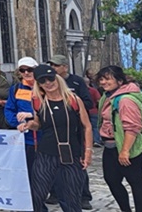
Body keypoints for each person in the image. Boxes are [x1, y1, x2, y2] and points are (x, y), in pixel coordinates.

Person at [20, 65, 93, 212]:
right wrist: (28, 125)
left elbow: (87, 126)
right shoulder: (38, 101)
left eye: (50, 78)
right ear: (38, 84)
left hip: (71, 153)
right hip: (46, 153)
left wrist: (88, 151)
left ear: (57, 78)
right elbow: (38, 124)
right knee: (37, 194)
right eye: (43, 81)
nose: (48, 83)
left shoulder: (73, 100)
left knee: (71, 198)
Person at [96, 65, 142, 212]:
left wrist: (125, 151)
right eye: (101, 79)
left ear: (120, 81)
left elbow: (133, 127)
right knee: (112, 179)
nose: (103, 82)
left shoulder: (126, 100)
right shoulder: (107, 97)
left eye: (108, 79)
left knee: (135, 182)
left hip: (128, 146)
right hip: (111, 145)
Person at [47, 55, 94, 209]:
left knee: (77, 161)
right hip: (55, 129)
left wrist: (69, 106)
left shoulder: (76, 81)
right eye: (51, 65)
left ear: (65, 67)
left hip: (74, 129)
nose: (53, 68)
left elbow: (88, 102)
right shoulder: (47, 83)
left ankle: (84, 195)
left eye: (56, 65)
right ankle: (55, 192)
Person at [4, 57, 42, 200]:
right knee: (29, 169)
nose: (26, 73)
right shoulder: (16, 89)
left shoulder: (44, 86)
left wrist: (32, 115)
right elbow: (9, 109)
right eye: (23, 70)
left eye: (29, 70)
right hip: (26, 137)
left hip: (44, 135)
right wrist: (16, 123)